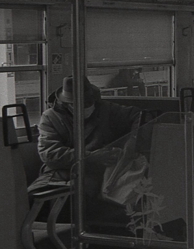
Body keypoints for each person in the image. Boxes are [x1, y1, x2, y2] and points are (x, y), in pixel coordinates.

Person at [30, 76, 141, 223]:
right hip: (61, 170)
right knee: (33, 198)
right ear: (67, 104)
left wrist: (132, 141)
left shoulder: (107, 110)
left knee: (85, 197)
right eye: (79, 104)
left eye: (89, 102)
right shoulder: (51, 117)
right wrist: (90, 157)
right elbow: (50, 154)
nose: (86, 107)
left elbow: (138, 115)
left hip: (98, 172)